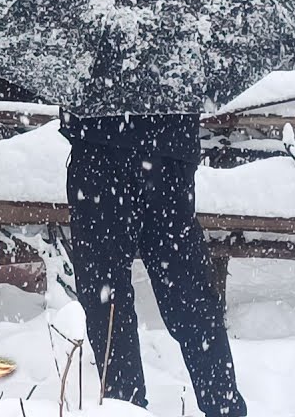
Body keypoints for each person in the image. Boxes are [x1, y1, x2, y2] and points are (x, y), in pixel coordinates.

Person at [61, 112, 247, 416]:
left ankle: (126, 405)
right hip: (162, 144)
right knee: (183, 291)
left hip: (105, 144)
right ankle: (220, 405)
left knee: (108, 295)